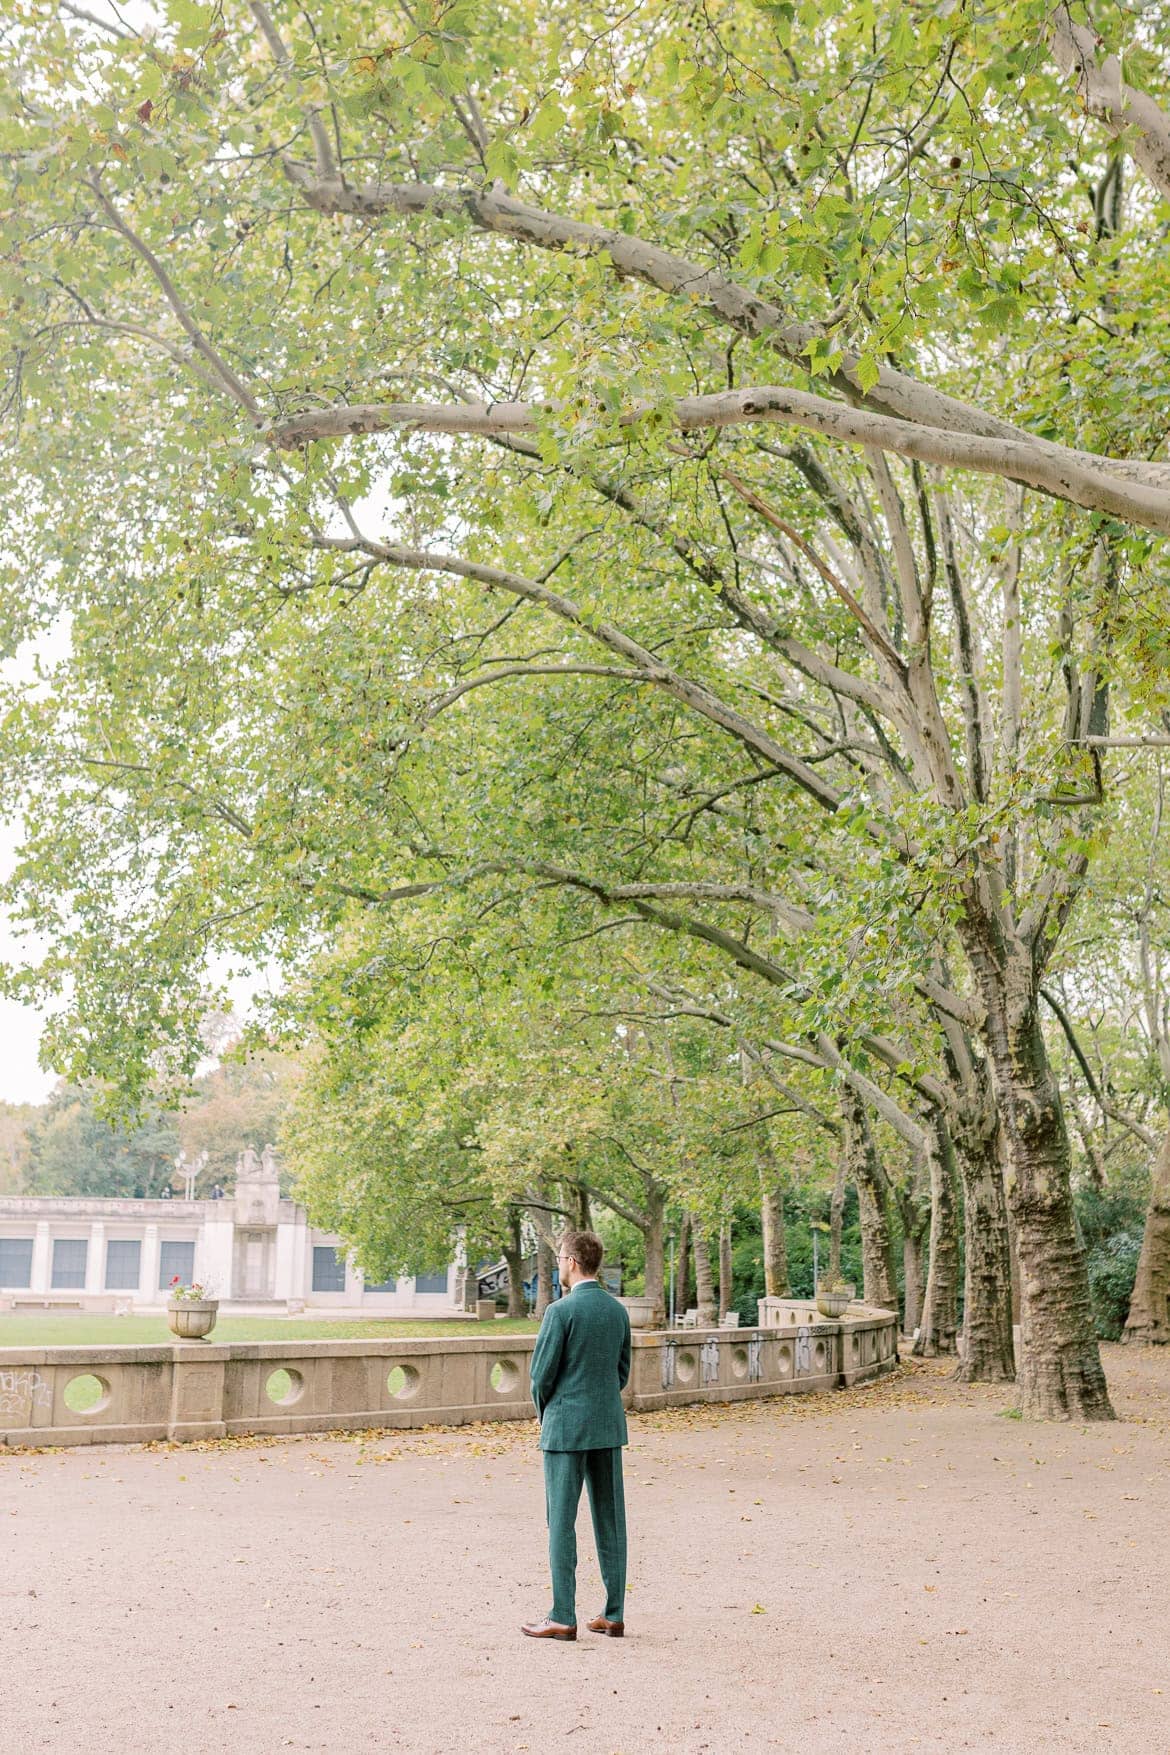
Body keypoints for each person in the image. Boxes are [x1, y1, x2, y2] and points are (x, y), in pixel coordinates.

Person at [522, 1230, 632, 1643]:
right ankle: (613, 1613)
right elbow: (621, 1373)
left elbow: (540, 1377)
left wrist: (545, 1414)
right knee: (611, 1521)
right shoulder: (618, 1312)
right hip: (607, 1426)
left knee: (561, 1523)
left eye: (559, 1260)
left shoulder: (560, 1311)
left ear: (570, 1261)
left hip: (565, 1428)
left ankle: (562, 1615)